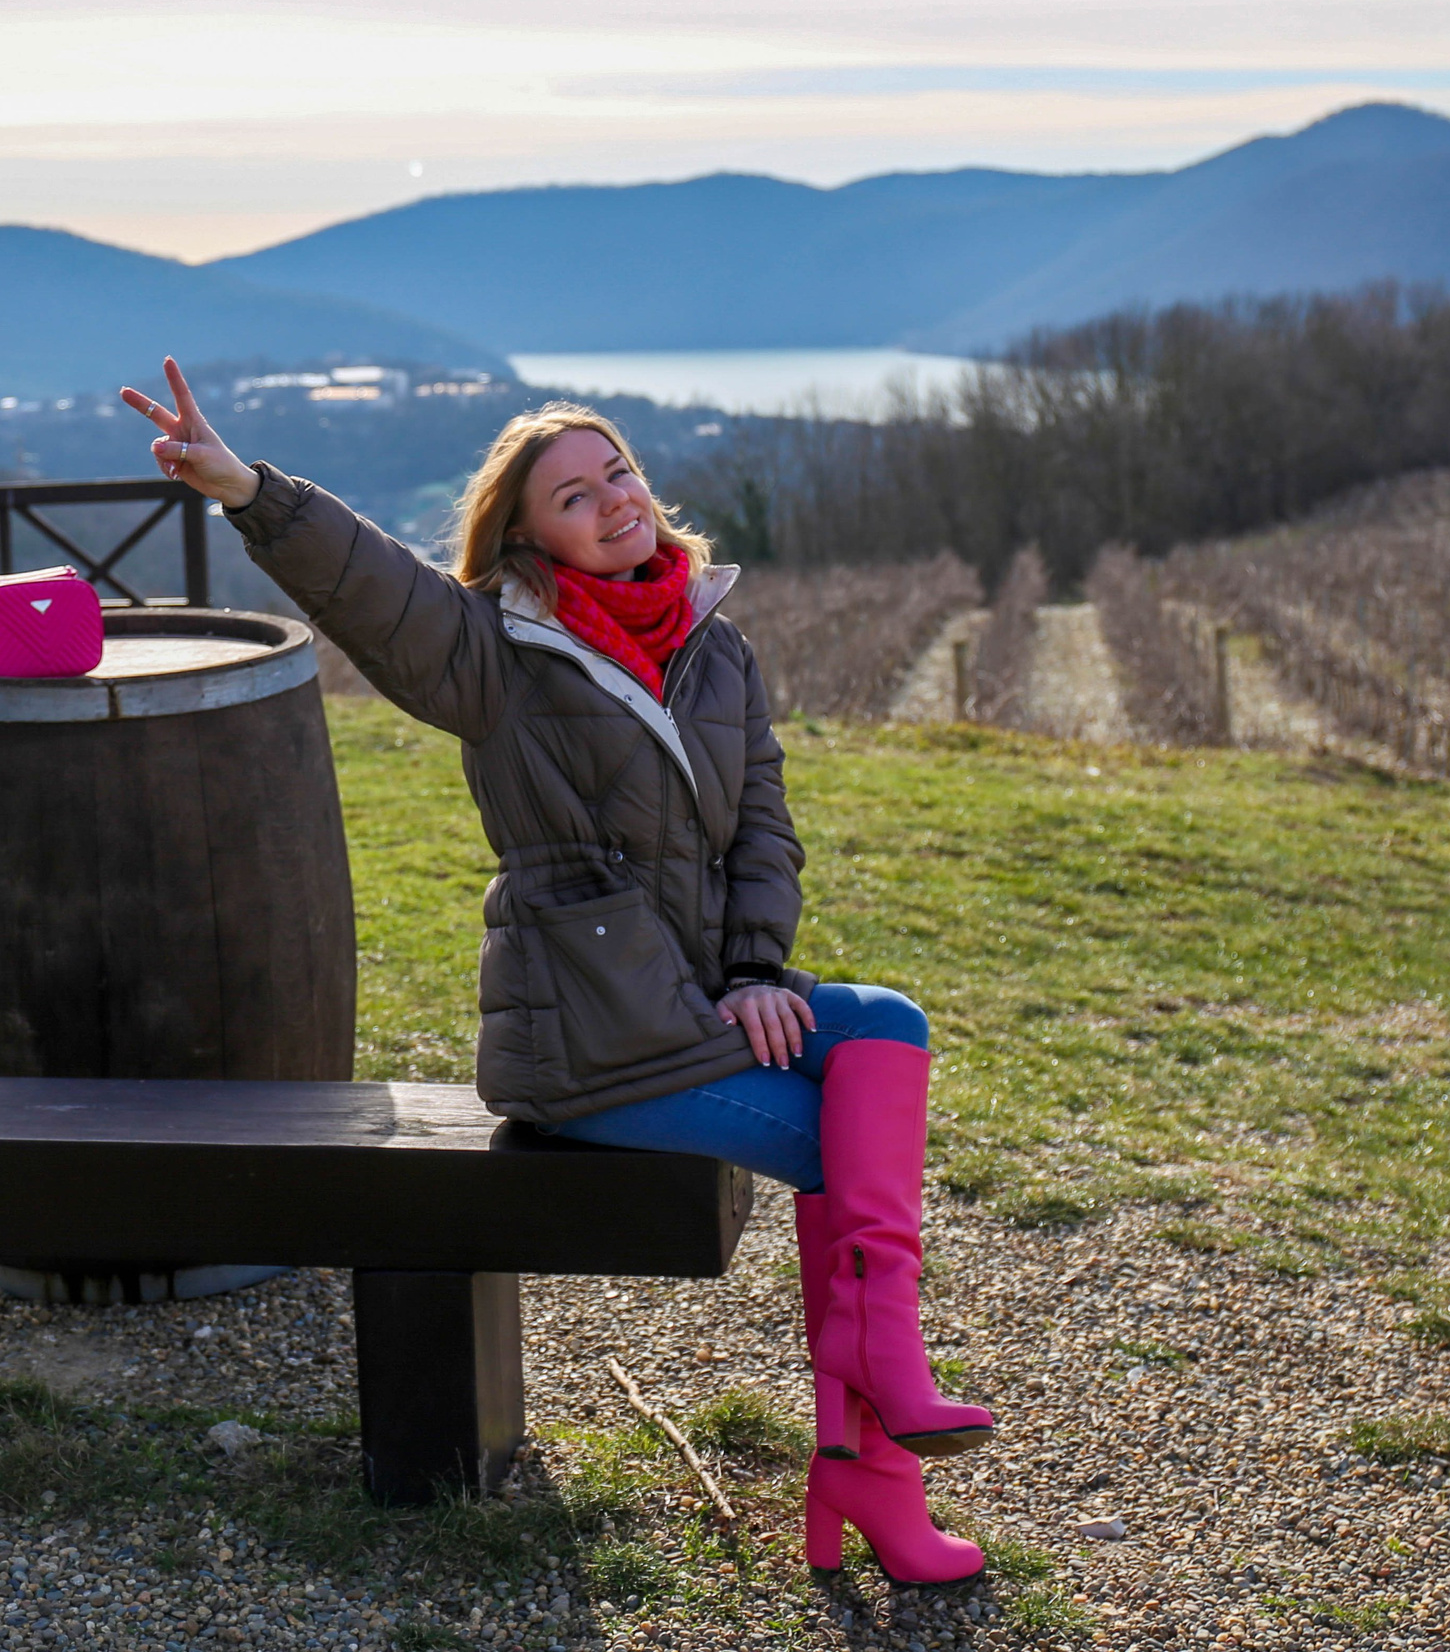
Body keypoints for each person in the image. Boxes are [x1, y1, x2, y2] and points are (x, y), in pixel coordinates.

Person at [121, 360, 994, 1584]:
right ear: (524, 536)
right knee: (843, 1148)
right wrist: (247, 489)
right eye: (574, 495)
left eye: (618, 472)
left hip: (692, 1011)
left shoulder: (712, 645)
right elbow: (372, 590)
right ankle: (873, 1450)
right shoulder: (492, 654)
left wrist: (756, 970)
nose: (612, 500)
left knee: (880, 1026)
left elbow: (763, 831)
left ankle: (873, 1432)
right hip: (589, 1043)